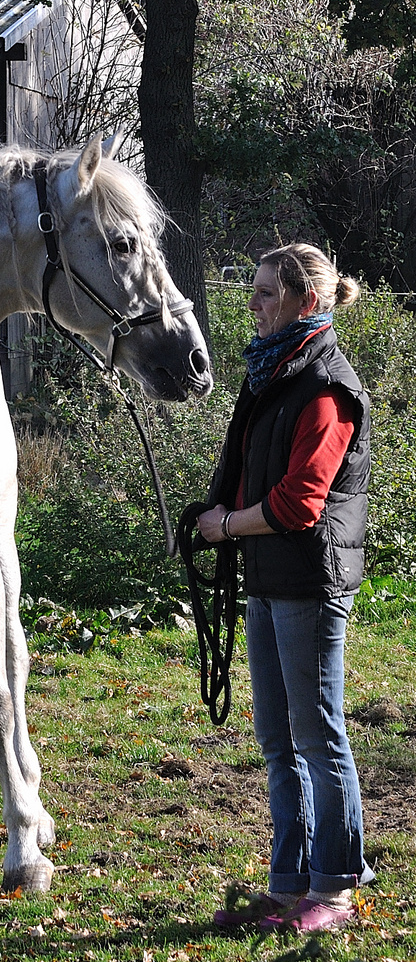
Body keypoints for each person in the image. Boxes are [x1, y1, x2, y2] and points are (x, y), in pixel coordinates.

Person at [197, 243, 374, 934]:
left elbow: (301, 502)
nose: (254, 303)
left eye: (267, 292)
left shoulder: (326, 387)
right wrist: (218, 518)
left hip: (309, 581)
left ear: (307, 301)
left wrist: (226, 525)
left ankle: (334, 888)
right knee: (278, 739)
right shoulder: (273, 374)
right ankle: (289, 880)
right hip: (270, 577)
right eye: (256, 290)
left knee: (319, 737)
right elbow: (252, 473)